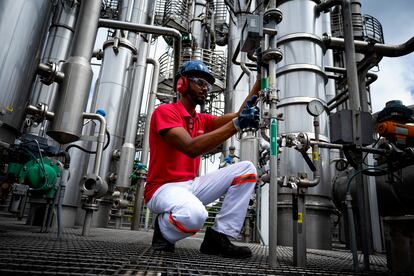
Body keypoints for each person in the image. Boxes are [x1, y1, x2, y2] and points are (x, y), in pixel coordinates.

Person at [144, 60, 261, 258]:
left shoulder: (202, 120)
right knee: (195, 215)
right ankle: (163, 230)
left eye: (208, 85)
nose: (205, 88)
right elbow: (191, 148)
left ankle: (218, 236)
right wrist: (237, 124)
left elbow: (240, 114)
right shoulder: (164, 112)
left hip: (191, 185)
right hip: (162, 189)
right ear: (182, 84)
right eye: (200, 82)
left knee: (247, 170)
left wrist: (260, 77)